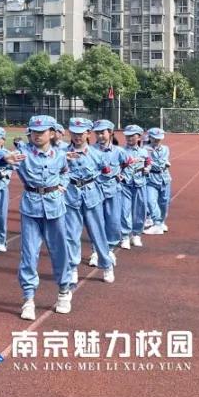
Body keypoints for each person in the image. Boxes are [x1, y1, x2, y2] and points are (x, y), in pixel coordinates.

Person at [7, 115, 72, 320]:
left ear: (51, 133)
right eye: (34, 131)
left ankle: (63, 291)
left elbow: (65, 171)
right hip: (31, 207)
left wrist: (62, 186)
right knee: (29, 254)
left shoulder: (60, 155)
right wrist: (4, 159)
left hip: (54, 207)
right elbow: (3, 158)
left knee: (59, 251)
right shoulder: (24, 153)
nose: (37, 135)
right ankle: (28, 299)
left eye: (41, 131)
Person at [61, 118, 115, 285]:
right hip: (71, 195)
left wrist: (97, 181)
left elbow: (106, 172)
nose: (77, 136)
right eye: (74, 133)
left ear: (88, 134)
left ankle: (106, 265)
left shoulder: (96, 153)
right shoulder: (62, 153)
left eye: (81, 133)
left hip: (91, 196)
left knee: (97, 232)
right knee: (72, 235)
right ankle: (73, 268)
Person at [89, 120, 123, 267]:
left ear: (110, 133)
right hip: (95, 191)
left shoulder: (119, 151)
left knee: (114, 222)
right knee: (97, 223)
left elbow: (128, 164)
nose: (100, 136)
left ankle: (109, 250)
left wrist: (123, 176)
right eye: (97, 133)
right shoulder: (90, 150)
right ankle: (96, 251)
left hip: (113, 191)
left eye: (103, 132)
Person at [119, 124, 150, 249]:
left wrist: (147, 169)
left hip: (140, 183)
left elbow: (148, 163)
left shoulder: (144, 151)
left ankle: (136, 234)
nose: (129, 138)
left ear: (139, 137)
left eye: (132, 135)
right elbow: (116, 165)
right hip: (125, 184)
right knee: (124, 210)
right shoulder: (121, 151)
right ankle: (125, 236)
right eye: (127, 136)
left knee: (140, 210)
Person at [143, 127, 171, 235]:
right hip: (151, 179)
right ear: (150, 137)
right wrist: (158, 164)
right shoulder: (144, 149)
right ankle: (157, 223)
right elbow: (158, 164)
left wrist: (153, 163)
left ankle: (161, 221)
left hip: (165, 178)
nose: (157, 141)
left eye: (159, 139)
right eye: (154, 138)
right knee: (151, 201)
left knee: (164, 202)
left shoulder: (165, 149)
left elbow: (159, 163)